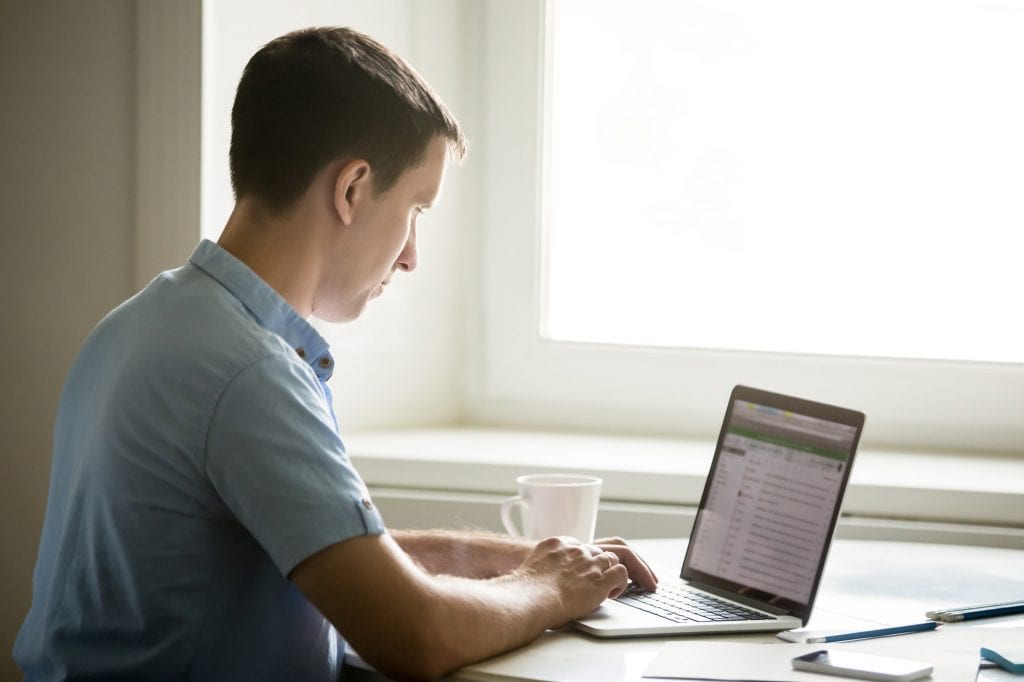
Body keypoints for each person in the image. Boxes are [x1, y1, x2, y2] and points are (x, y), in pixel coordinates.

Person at [14, 26, 657, 681]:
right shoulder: (250, 375)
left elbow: (333, 554)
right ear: (352, 189)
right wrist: (548, 590)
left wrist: (532, 560)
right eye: (415, 210)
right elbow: (415, 636)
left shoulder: (145, 325)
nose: (411, 257)